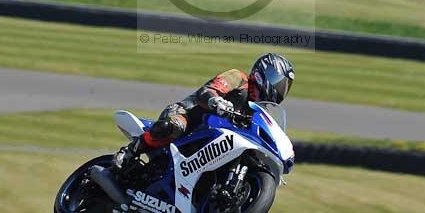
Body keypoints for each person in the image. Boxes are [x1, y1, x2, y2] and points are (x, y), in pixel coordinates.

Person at [114, 52, 294, 167]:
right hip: (188, 115)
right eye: (278, 82)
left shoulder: (257, 110)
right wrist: (217, 102)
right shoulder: (238, 78)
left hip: (213, 139)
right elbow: (206, 92)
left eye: (284, 86)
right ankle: (131, 151)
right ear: (263, 73)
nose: (280, 89)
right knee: (176, 126)